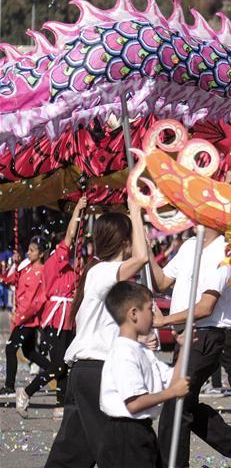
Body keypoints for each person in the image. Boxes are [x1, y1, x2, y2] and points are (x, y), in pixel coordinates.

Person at [44, 199, 151, 468]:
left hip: (85, 372)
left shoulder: (98, 274)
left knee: (70, 455)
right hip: (98, 374)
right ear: (125, 242)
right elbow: (141, 258)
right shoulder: (104, 273)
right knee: (119, 451)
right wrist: (136, 214)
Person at [151, 227, 231, 467]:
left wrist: (163, 321)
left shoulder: (226, 253)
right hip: (186, 337)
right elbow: (161, 282)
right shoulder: (190, 245)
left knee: (176, 404)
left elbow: (205, 308)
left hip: (207, 337)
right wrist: (143, 244)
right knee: (185, 404)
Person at [98, 281, 191, 468]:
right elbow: (134, 403)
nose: (155, 315)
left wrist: (183, 348)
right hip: (125, 436)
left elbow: (173, 381)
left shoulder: (142, 350)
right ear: (133, 313)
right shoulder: (124, 352)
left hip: (141, 432)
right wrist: (173, 393)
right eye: (150, 309)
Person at [17, 197, 88, 418]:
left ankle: (61, 404)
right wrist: (77, 209)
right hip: (56, 321)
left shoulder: (73, 270)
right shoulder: (54, 263)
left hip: (70, 322)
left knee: (67, 363)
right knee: (57, 365)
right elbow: (69, 237)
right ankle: (26, 392)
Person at [1, 235, 53, 400]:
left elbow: (36, 301)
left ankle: (9, 386)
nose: (28, 253)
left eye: (32, 250)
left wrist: (20, 317)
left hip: (28, 320)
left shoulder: (42, 272)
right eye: (28, 250)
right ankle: (56, 370)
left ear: (41, 253)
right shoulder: (26, 267)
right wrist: (14, 264)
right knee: (29, 352)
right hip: (22, 317)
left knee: (11, 348)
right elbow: (10, 280)